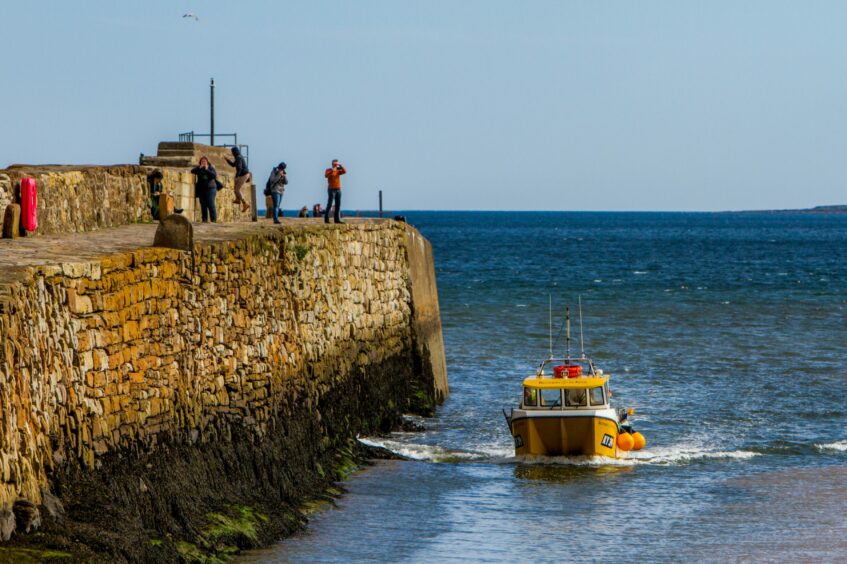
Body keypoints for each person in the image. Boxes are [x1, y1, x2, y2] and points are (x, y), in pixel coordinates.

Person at [191, 156, 218, 222]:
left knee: (211, 204)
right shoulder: (199, 168)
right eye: (202, 161)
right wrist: (199, 168)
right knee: (203, 204)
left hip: (211, 188)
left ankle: (213, 220)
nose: (203, 162)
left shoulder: (211, 168)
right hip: (202, 189)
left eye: (205, 161)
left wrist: (207, 170)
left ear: (207, 162)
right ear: (200, 162)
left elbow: (214, 175)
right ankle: (204, 219)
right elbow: (192, 171)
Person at [225, 146, 251, 213]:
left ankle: (245, 203)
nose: (232, 153)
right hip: (243, 174)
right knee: (235, 186)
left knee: (237, 189)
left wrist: (237, 176)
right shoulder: (238, 157)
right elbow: (233, 165)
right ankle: (237, 199)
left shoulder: (239, 157)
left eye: (232, 152)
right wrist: (227, 160)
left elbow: (239, 168)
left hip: (244, 175)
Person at [323, 159, 346, 224]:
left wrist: (341, 166)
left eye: (336, 164)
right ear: (332, 164)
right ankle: (326, 220)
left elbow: (345, 171)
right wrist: (332, 170)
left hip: (338, 189)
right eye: (334, 164)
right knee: (329, 204)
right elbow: (326, 176)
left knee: (338, 205)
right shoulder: (328, 170)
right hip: (331, 189)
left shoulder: (338, 171)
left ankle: (337, 220)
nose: (335, 165)